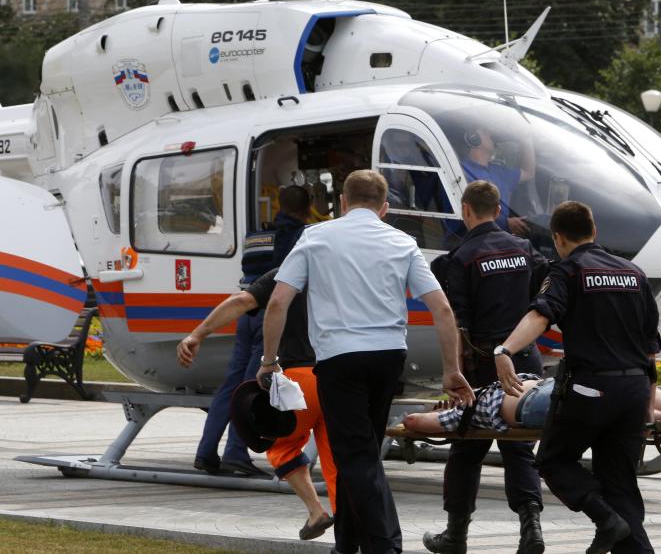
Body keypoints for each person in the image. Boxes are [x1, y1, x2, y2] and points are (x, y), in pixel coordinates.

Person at [256, 169, 475, 554]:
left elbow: (277, 302)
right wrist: (451, 369)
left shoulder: (316, 237)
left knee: (355, 457)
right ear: (385, 208)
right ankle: (349, 544)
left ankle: (387, 545)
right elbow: (441, 309)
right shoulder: (402, 242)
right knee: (365, 453)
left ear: (342, 201)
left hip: (340, 358)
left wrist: (269, 361)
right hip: (389, 357)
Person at [495, 201, 660, 554]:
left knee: (553, 460)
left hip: (590, 390)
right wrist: (647, 405)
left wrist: (505, 351)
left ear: (557, 238)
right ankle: (622, 532)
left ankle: (604, 518)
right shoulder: (634, 273)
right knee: (621, 483)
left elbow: (540, 315)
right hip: (633, 390)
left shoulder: (566, 271)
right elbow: (651, 350)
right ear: (593, 230)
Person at [424, 180, 549, 554]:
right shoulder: (525, 248)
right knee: (520, 448)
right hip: (524, 357)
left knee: (466, 448)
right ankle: (532, 532)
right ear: (498, 211)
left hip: (481, 364)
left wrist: (455, 371)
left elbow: (457, 320)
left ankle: (455, 535)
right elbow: (547, 288)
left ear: (465, 211)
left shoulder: (460, 257)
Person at [177, 265, 337, 541]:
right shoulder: (345, 271)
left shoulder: (290, 270)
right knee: (338, 460)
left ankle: (315, 511)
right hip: (341, 379)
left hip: (301, 379)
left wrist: (198, 334)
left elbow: (241, 301)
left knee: (281, 445)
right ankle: (350, 531)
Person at [179, 185, 311, 477]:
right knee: (254, 388)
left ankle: (206, 452)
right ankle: (236, 454)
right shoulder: (304, 235)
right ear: (305, 209)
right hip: (270, 313)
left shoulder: (257, 235)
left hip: (246, 312)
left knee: (232, 387)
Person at [402, 376, 661, 445]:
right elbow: (416, 421)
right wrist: (441, 410)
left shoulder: (477, 396)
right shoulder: (464, 412)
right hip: (535, 403)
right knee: (621, 398)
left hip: (545, 392)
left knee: (632, 391)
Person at [460, 126, 534, 236]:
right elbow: (467, 210)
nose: (490, 134)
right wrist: (505, 223)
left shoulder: (499, 172)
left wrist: (526, 139)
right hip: (472, 242)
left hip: (499, 241)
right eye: (485, 132)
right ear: (473, 138)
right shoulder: (461, 170)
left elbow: (529, 172)